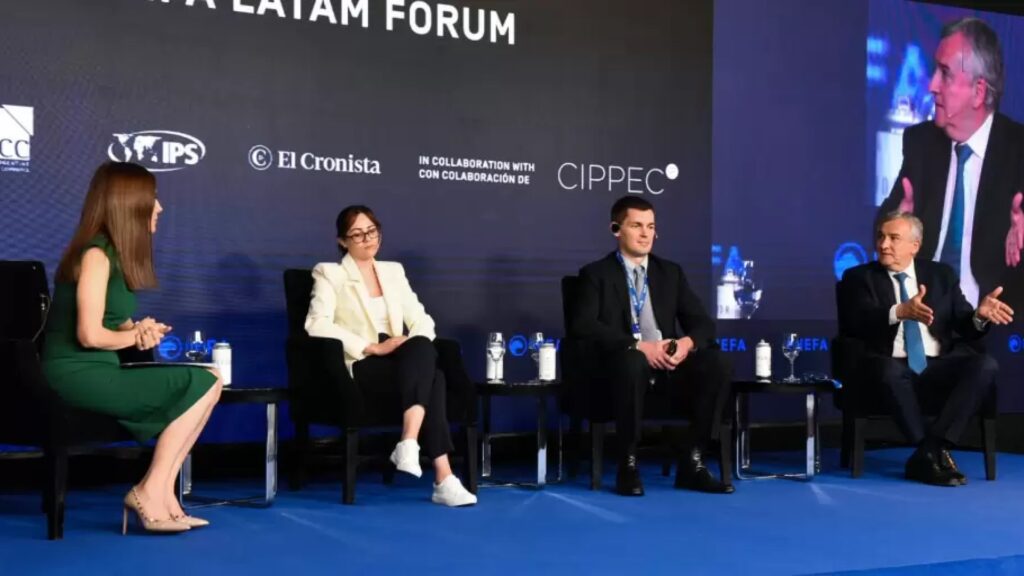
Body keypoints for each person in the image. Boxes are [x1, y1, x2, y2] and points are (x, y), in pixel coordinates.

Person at [42, 162, 223, 533]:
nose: (160, 207)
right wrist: (133, 337)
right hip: (73, 374)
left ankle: (164, 495)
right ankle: (150, 490)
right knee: (204, 382)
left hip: (100, 370)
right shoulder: (95, 255)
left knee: (211, 378)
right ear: (128, 204)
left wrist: (140, 328)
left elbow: (113, 320)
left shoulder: (114, 256)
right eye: (153, 198)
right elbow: (90, 335)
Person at [305, 205, 476, 507]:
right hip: (362, 363)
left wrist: (407, 343)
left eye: (372, 231)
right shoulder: (329, 273)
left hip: (401, 360)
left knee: (423, 345)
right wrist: (370, 347)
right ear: (343, 241)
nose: (368, 239)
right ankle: (442, 477)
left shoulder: (393, 271)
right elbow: (316, 324)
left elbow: (422, 320)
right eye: (358, 234)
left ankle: (410, 443)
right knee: (435, 378)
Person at [569, 195, 733, 496]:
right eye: (636, 226)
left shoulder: (670, 273)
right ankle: (628, 465)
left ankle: (693, 461)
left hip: (668, 368)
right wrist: (639, 346)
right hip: (619, 371)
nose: (646, 234)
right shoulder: (595, 274)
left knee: (717, 362)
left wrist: (685, 344)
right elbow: (584, 325)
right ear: (616, 229)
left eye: (651, 226)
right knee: (632, 361)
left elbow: (703, 324)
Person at [840, 211, 1012, 486]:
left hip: (937, 364)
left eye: (893, 238)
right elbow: (856, 321)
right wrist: (899, 311)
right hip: (889, 365)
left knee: (985, 364)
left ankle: (929, 451)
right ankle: (931, 454)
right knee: (887, 369)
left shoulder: (941, 275)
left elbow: (964, 325)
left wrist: (980, 316)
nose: (884, 244)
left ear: (915, 245)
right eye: (881, 237)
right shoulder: (858, 277)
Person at [879, 17, 1024, 311]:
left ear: (979, 92)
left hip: (991, 316)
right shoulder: (921, 143)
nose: (931, 85)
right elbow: (883, 227)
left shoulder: (1018, 149)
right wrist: (896, 221)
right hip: (922, 311)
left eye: (944, 74)